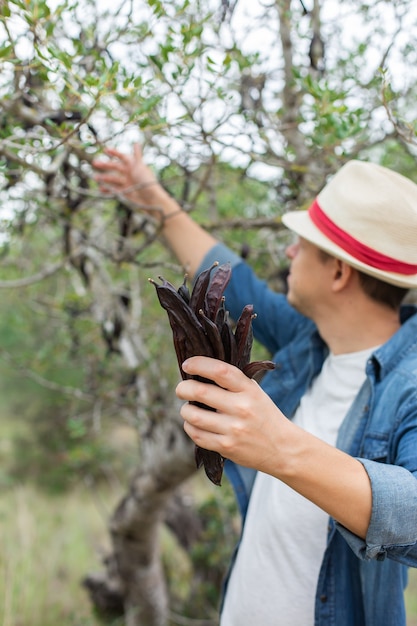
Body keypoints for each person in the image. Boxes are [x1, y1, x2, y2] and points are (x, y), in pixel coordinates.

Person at [93, 145, 417, 626]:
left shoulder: (408, 387)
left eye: (301, 243)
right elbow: (231, 278)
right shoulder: (311, 343)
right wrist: (148, 191)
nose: (288, 251)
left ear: (339, 271)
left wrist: (279, 446)